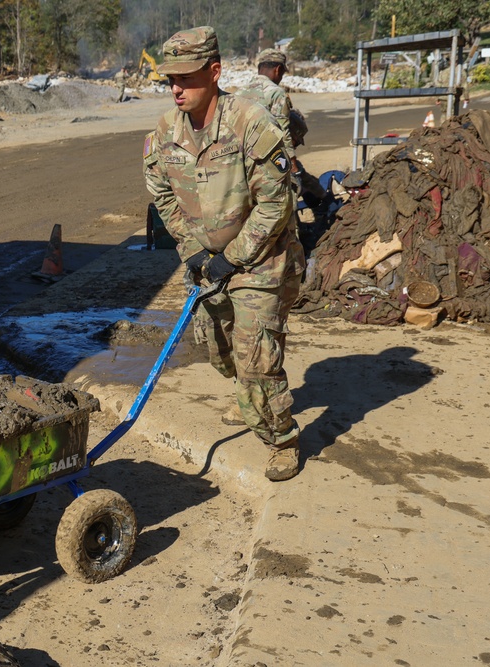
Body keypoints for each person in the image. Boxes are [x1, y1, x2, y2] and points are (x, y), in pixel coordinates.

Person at [142, 26, 306, 481]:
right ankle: (251, 393)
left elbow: (277, 203)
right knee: (219, 351)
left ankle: (282, 438)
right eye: (169, 80)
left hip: (262, 260)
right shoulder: (164, 132)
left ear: (214, 72)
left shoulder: (250, 122)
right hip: (206, 263)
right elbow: (161, 193)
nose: (175, 88)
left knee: (256, 361)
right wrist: (191, 248)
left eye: (186, 78)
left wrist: (233, 257)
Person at [236, 49, 327, 210]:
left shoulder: (239, 93)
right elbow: (283, 132)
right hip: (267, 160)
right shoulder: (275, 93)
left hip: (239, 162)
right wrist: (293, 166)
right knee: (286, 204)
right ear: (278, 70)